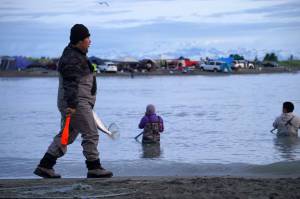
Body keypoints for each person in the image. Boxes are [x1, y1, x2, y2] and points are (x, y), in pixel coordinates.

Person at [34, 24, 113, 178]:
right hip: (76, 103)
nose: (90, 41)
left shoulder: (76, 54)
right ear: (79, 41)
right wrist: (72, 106)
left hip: (76, 103)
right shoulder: (71, 58)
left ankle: (45, 165)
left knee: (67, 136)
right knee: (91, 133)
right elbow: (70, 83)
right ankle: (94, 167)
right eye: (87, 38)